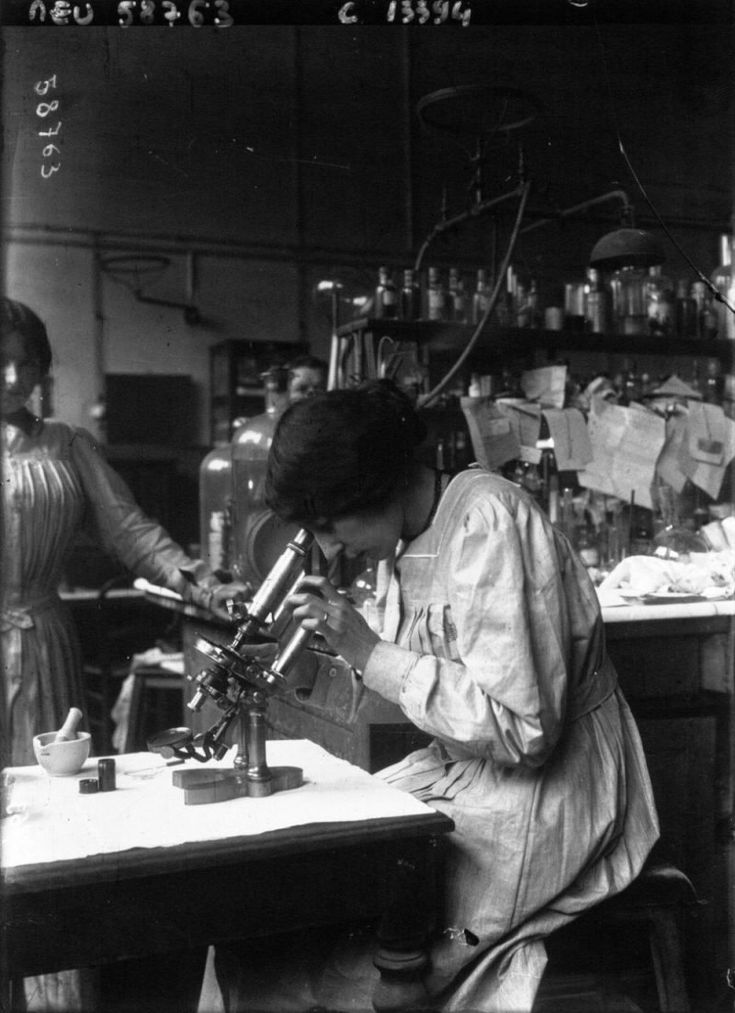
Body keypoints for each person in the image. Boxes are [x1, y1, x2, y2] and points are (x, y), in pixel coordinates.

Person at [204, 379, 660, 1013]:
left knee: (320, 953)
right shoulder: (403, 541)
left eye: (331, 525)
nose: (331, 548)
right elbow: (416, 692)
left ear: (376, 488)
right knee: (263, 919)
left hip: (547, 793)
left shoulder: (486, 520)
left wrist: (367, 650)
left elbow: (521, 730)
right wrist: (313, 668)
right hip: (472, 778)